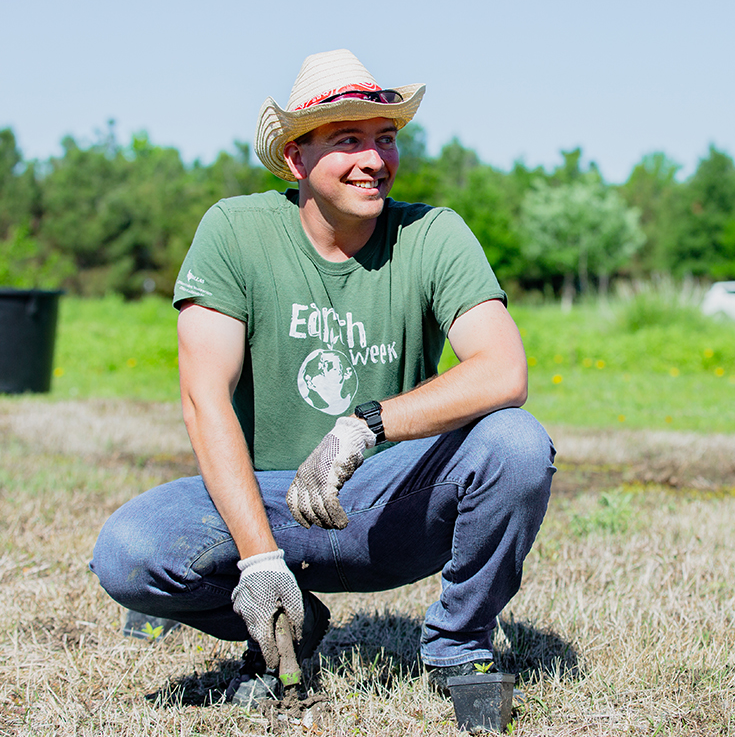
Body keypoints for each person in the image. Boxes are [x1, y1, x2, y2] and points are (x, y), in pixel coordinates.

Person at [90, 49, 555, 700]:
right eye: (347, 140)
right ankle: (285, 623)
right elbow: (205, 400)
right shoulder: (234, 232)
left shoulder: (433, 234)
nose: (374, 158)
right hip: (267, 505)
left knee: (517, 441)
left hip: (390, 504)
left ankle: (460, 645)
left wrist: (364, 428)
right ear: (295, 158)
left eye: (385, 138)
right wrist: (255, 556)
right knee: (130, 551)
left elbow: (504, 370)